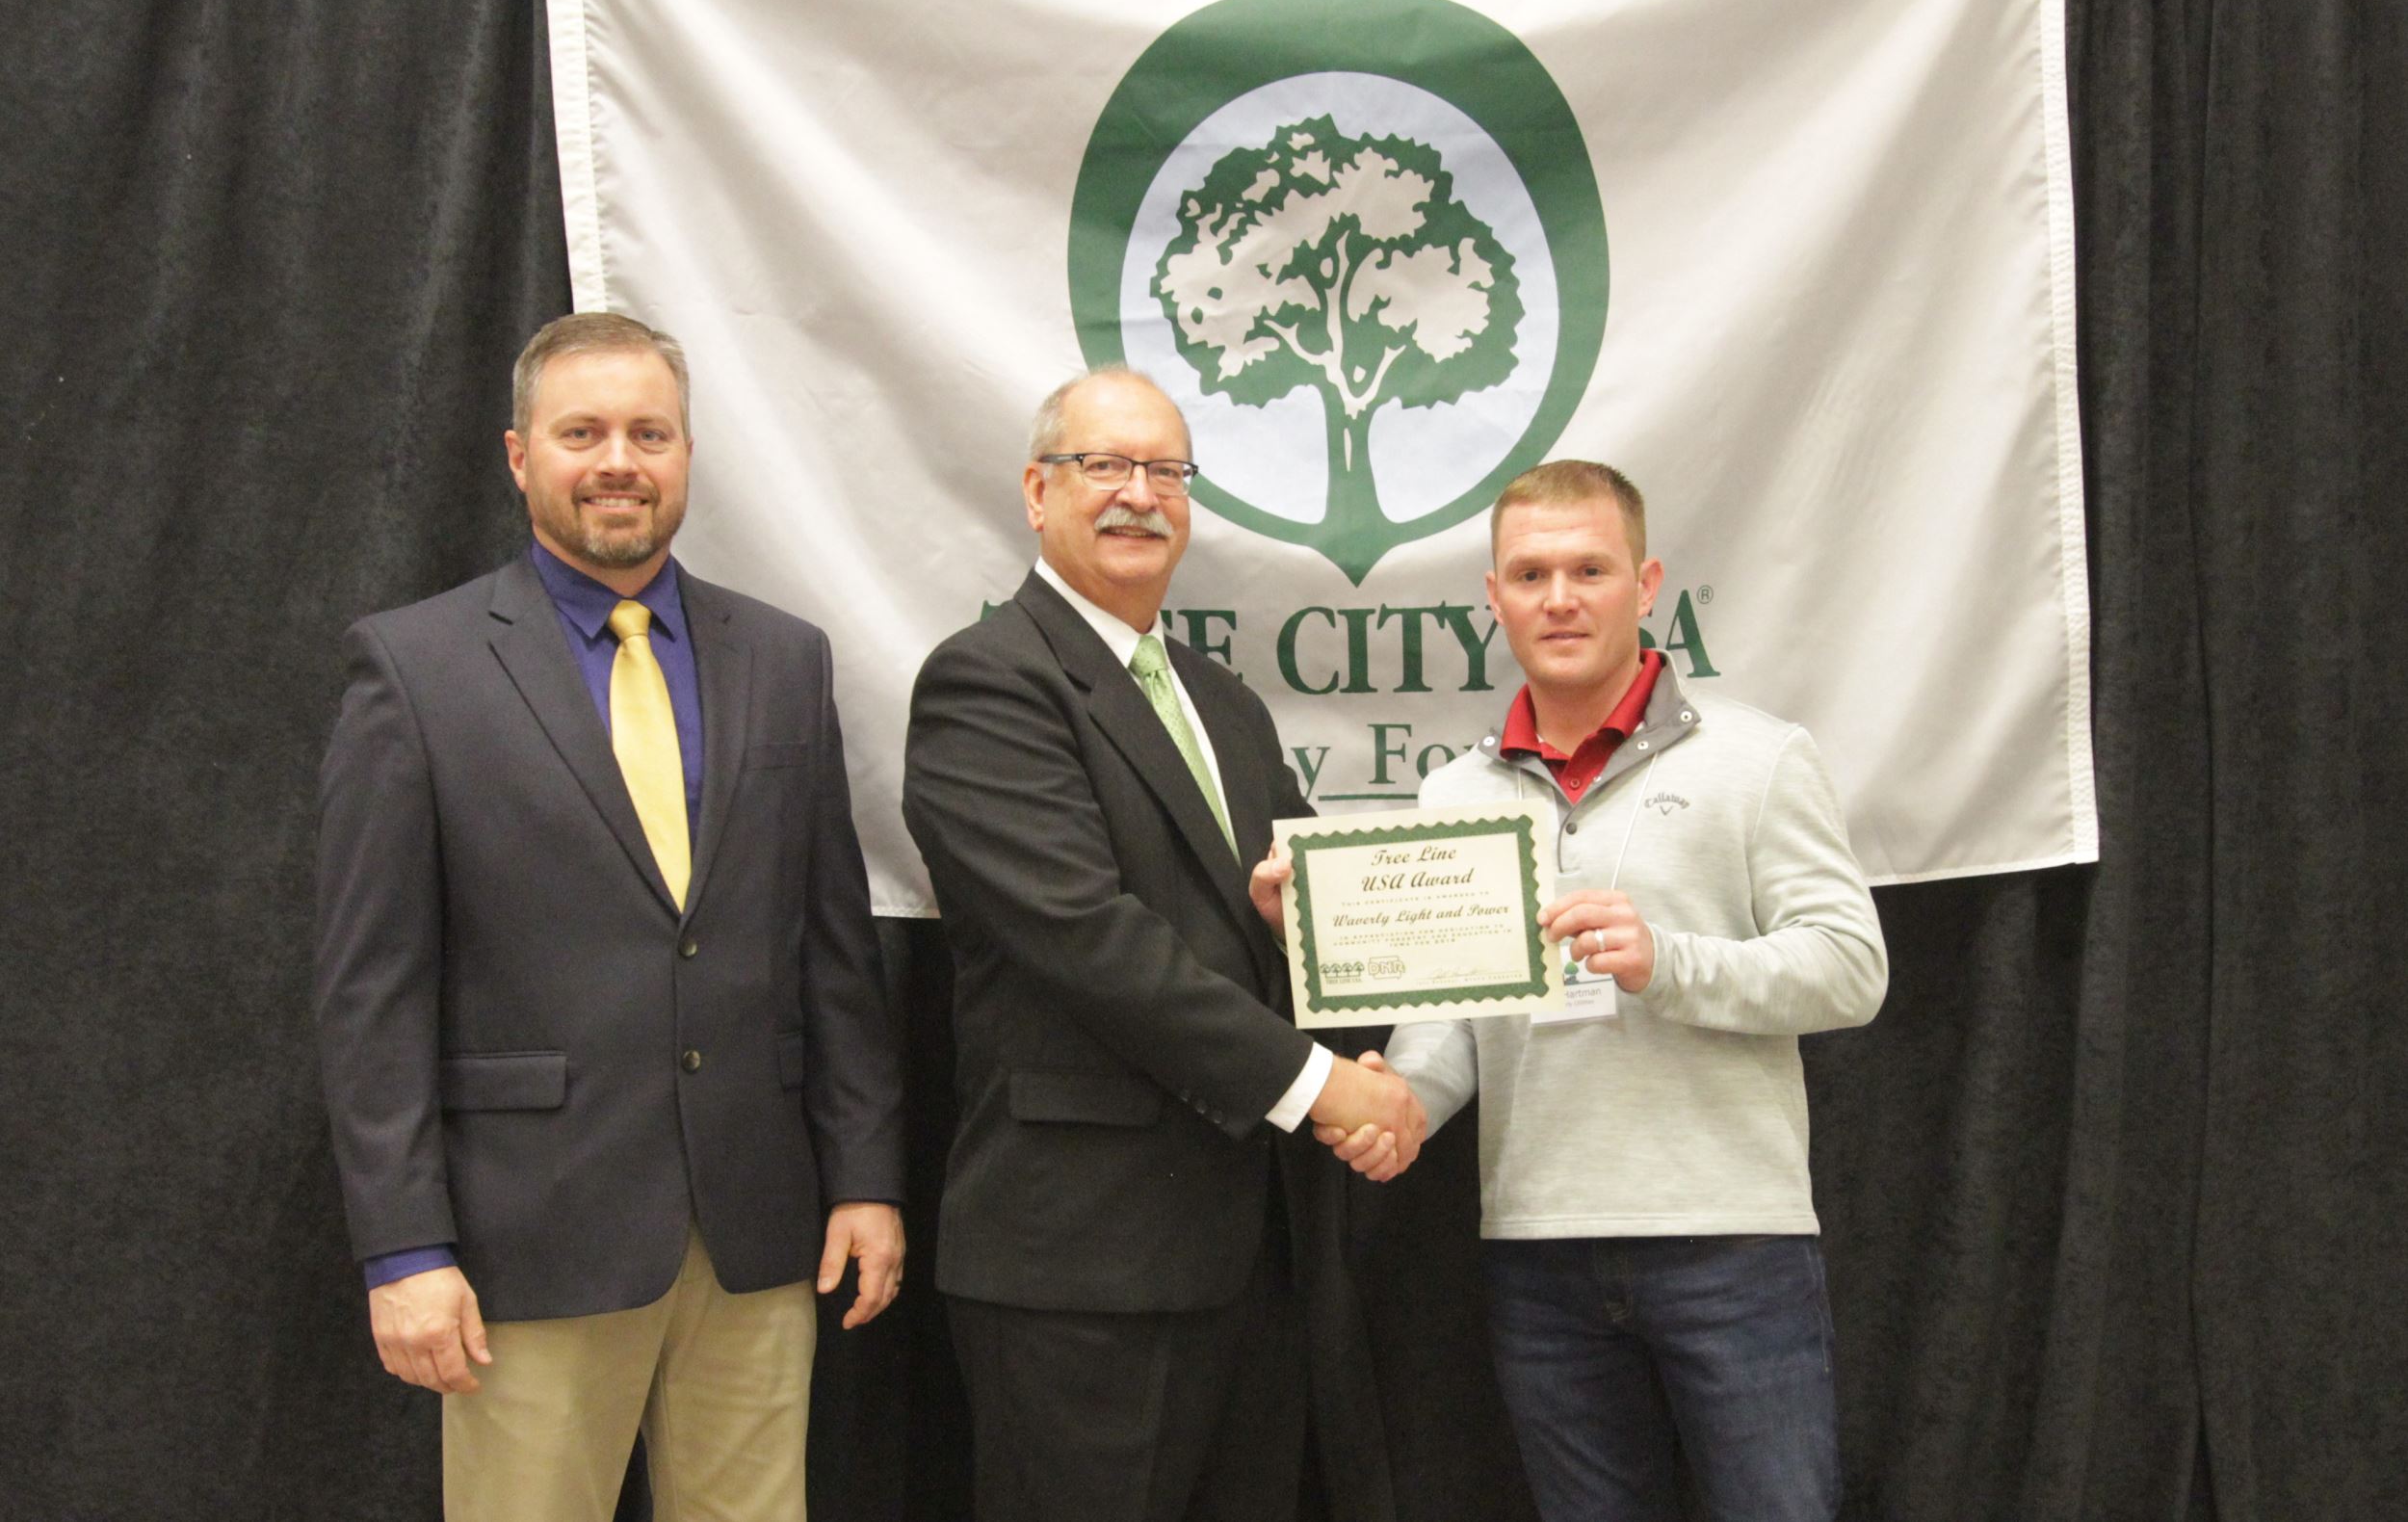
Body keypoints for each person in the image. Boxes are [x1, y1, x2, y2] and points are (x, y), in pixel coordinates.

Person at [314, 311, 905, 1522]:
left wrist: (864, 1176)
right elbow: (371, 993)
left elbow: (833, 954)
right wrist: (405, 1247)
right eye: (582, 432)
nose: (619, 460)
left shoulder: (784, 658)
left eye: (650, 431)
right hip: (528, 1237)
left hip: (753, 1229)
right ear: (521, 455)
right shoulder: (417, 668)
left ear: (688, 453)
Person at [901, 366, 1418, 1522]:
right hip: (1083, 1266)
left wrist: (1347, 1009)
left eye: (1167, 472)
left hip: (1252, 1253)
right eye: (1107, 466)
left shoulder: (1221, 699)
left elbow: (1303, 914)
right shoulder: (986, 682)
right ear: (1038, 491)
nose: (1140, 495)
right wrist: (1322, 1084)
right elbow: (1089, 940)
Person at [1326, 459, 1887, 1521]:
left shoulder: (1759, 759)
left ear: (1647, 581)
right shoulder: (1454, 793)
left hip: (1732, 1243)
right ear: (1491, 598)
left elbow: (1851, 969)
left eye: (1589, 568)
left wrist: (1667, 963)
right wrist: (1395, 1104)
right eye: (1530, 573)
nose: (1560, 597)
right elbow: (1455, 1016)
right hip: (1535, 1250)